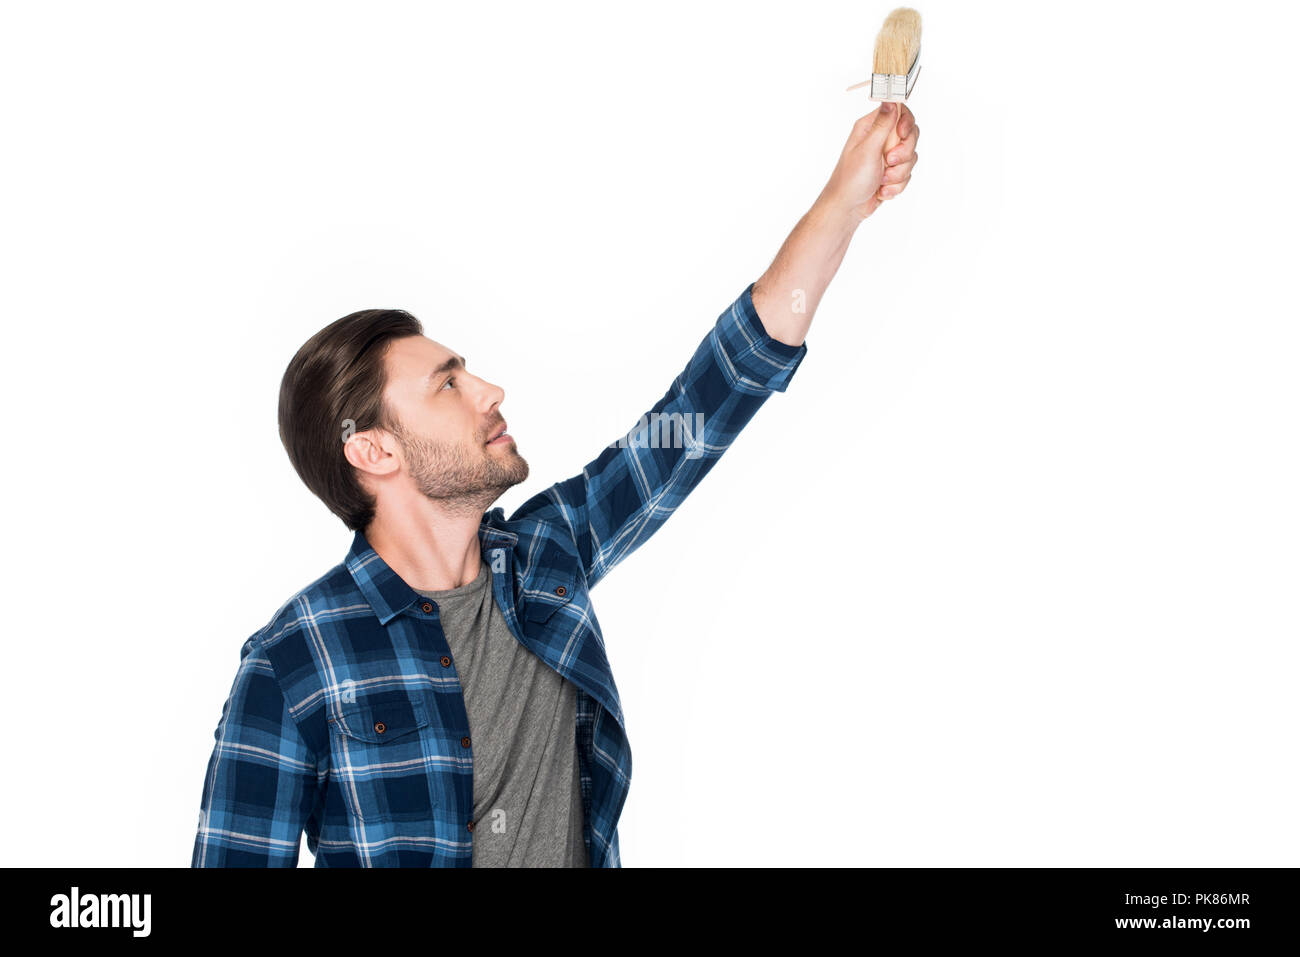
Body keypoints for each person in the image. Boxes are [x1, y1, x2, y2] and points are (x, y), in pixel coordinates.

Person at [191, 103, 920, 867]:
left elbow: (706, 401)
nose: (490, 389)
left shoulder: (544, 559)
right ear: (373, 450)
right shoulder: (293, 662)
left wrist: (845, 200)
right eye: (447, 385)